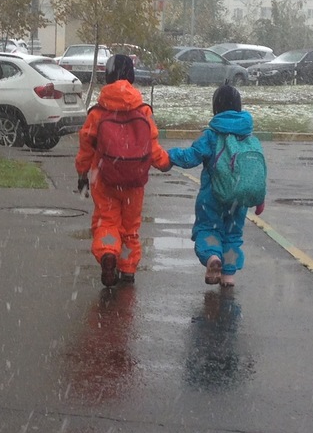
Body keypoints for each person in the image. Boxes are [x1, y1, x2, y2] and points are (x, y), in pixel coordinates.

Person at [76, 54, 171, 287]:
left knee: (107, 221)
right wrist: (165, 163)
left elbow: (86, 146)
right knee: (130, 227)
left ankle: (108, 252)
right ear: (132, 76)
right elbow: (152, 145)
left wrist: (82, 173)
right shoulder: (142, 110)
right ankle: (128, 268)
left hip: (104, 178)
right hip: (134, 180)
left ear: (107, 76)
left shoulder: (98, 112)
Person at [167, 85, 265, 288]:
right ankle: (228, 275)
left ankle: (212, 257)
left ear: (215, 108)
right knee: (232, 235)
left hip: (212, 197)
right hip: (239, 198)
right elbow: (256, 171)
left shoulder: (211, 136)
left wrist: (169, 155)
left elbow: (190, 157)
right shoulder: (249, 137)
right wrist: (260, 198)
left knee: (207, 229)